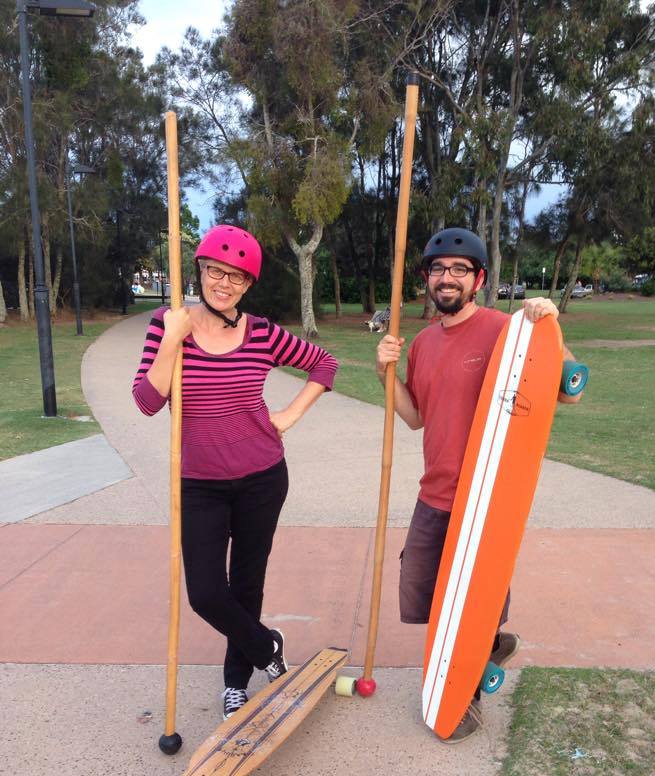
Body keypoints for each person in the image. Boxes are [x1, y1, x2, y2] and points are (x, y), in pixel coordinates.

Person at [376, 227, 583, 742]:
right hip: (435, 492)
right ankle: (487, 642)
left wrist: (547, 321)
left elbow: (568, 391)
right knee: (423, 591)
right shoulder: (422, 343)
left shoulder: (504, 330)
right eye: (438, 269)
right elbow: (415, 418)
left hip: (484, 497)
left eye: (459, 270)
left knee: (470, 598)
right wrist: (386, 376)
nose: (447, 278)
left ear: (479, 279)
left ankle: (467, 692)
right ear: (427, 279)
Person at [132, 224, 338, 719]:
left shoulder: (262, 333)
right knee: (205, 592)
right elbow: (146, 401)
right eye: (215, 272)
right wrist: (172, 341)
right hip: (199, 484)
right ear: (199, 270)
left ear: (248, 285)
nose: (223, 283)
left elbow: (325, 364)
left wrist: (287, 417)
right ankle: (267, 647)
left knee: (247, 582)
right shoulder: (169, 323)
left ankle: (235, 682)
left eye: (237, 278)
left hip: (262, 478)